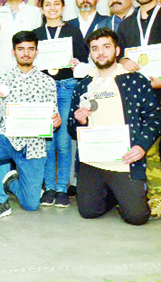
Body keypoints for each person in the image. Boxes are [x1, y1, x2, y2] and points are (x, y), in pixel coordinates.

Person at [68, 28, 160, 225]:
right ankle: (113, 194)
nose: (100, 52)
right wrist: (79, 122)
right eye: (95, 48)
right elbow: (71, 128)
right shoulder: (83, 85)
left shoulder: (136, 80)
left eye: (106, 47)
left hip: (125, 160)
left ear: (117, 51)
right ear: (90, 54)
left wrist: (141, 146)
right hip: (93, 161)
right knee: (88, 212)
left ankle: (123, 195)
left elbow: (154, 118)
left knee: (137, 217)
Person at [0, 31, 61, 220]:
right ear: (13, 52)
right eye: (21, 49)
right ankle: (0, 201)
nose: (26, 53)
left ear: (36, 52)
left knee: (31, 204)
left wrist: (55, 122)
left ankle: (11, 181)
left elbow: (53, 120)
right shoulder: (2, 79)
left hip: (34, 145)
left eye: (30, 49)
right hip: (8, 138)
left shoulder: (48, 82)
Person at [32, 0, 88, 207]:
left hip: (66, 87)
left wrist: (76, 63)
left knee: (63, 141)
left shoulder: (73, 31)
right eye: (48, 4)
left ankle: (62, 188)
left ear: (63, 7)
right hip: (44, 90)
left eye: (57, 4)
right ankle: (49, 187)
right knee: (47, 141)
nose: (52, 8)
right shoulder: (36, 33)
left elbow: (83, 61)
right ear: (42, 9)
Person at [116, 0, 161, 218]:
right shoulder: (126, 25)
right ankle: (154, 197)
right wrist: (123, 60)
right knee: (147, 149)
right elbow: (119, 55)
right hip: (141, 98)